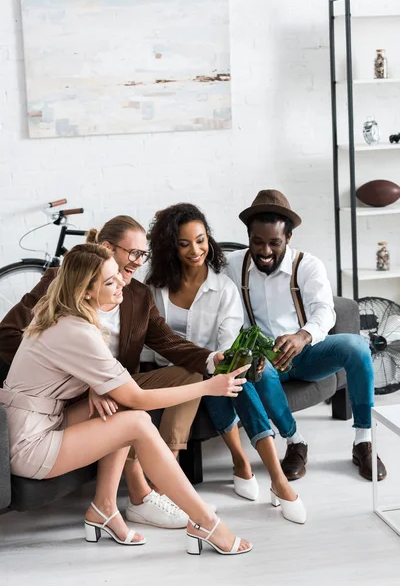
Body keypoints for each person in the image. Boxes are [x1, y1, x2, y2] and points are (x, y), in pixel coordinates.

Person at [0, 243, 252, 556]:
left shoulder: (64, 316)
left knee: (119, 404)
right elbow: (139, 396)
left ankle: (104, 508)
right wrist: (208, 387)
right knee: (136, 421)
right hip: (28, 444)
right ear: (86, 292)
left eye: (117, 274)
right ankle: (204, 520)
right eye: (109, 281)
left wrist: (97, 386)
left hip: (35, 421)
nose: (122, 281)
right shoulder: (75, 330)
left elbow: (78, 371)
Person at [141, 203, 305, 524]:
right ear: (170, 246)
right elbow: (152, 340)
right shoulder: (154, 287)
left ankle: (274, 477)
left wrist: (217, 362)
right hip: (170, 373)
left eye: (201, 240)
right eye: (184, 243)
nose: (195, 250)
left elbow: (226, 349)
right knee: (210, 373)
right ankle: (246, 464)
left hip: (214, 369)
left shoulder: (223, 288)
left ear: (209, 239)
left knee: (231, 375)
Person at [222, 189, 387, 483]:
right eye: (257, 242)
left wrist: (303, 336)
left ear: (288, 238)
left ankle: (363, 440)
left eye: (275, 243)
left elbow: (325, 310)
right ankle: (296, 442)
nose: (265, 251)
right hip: (265, 361)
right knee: (258, 370)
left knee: (357, 346)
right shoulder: (234, 266)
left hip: (307, 355)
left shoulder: (307, 265)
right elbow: (226, 315)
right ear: (248, 237)